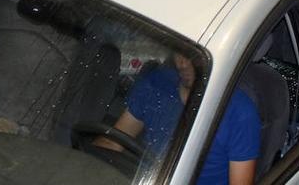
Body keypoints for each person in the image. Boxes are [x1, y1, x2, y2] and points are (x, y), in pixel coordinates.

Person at [97, 53, 260, 185]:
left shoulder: (239, 113)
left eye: (193, 56)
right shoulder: (156, 84)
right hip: (146, 179)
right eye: (180, 53)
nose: (182, 63)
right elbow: (112, 142)